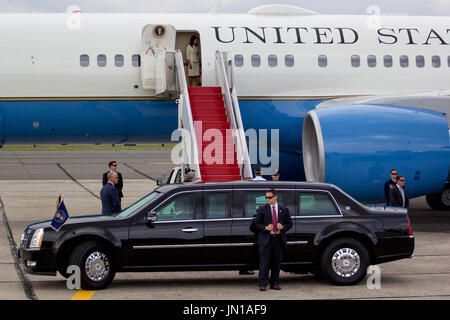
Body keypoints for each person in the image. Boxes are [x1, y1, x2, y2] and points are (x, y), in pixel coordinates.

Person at [254, 189, 292, 291]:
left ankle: (274, 283)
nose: (267, 199)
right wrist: (265, 228)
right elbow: (256, 224)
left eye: (269, 197)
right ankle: (262, 284)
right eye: (266, 197)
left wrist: (283, 227)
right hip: (266, 240)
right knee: (264, 263)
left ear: (275, 197)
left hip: (278, 239)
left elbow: (290, 223)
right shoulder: (262, 209)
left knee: (276, 263)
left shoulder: (284, 209)